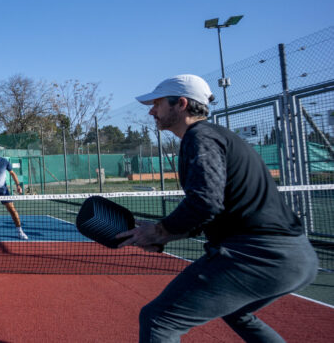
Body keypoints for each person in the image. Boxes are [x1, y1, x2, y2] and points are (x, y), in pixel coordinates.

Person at [117, 74, 318, 342]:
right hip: (298, 258)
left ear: (182, 104)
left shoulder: (200, 138)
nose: (152, 111)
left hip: (258, 256)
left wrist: (160, 231)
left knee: (159, 320)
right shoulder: (217, 136)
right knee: (238, 314)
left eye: (158, 103)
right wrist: (165, 234)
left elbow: (205, 202)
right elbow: (213, 210)